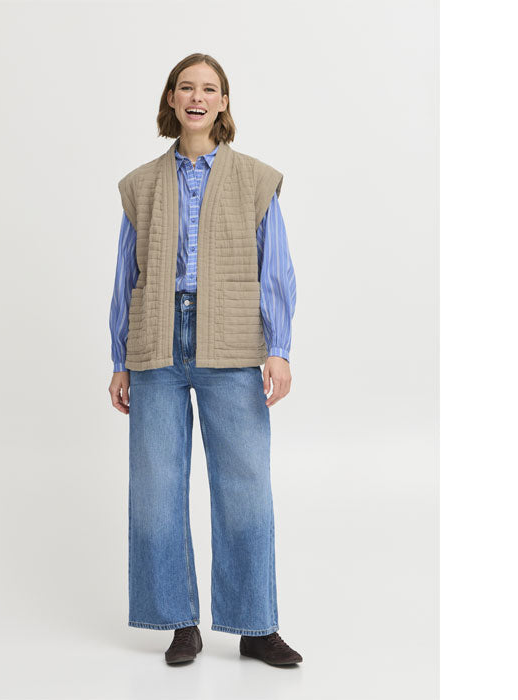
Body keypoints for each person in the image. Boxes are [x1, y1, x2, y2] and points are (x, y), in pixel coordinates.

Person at [108, 53, 302, 667]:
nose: (197, 97)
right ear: (171, 98)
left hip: (234, 342)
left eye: (209, 88)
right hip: (156, 345)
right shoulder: (141, 184)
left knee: (245, 489)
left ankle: (256, 627)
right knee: (156, 490)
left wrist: (278, 349)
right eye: (186, 87)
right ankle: (178, 623)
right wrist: (119, 358)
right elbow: (126, 276)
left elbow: (277, 267)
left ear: (223, 102)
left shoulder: (256, 179)